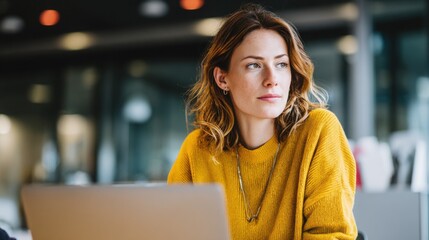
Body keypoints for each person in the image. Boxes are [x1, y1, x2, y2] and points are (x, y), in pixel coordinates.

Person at [167, 3, 357, 240]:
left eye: (281, 64)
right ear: (222, 78)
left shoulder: (319, 131)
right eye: (254, 65)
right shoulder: (197, 149)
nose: (272, 79)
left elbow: (332, 235)